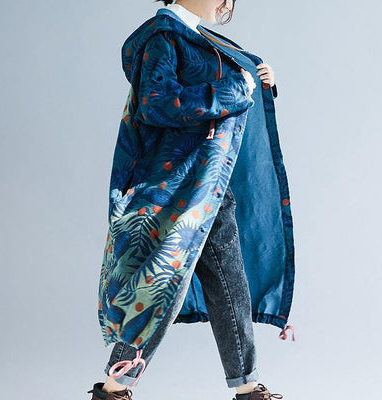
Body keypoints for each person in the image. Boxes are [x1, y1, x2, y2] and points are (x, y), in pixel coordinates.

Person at [88, 1, 293, 399]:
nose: (226, 3)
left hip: (210, 185)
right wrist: (237, 87)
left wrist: (256, 78)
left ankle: (248, 387)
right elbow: (157, 104)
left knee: (230, 285)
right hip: (177, 192)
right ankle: (112, 389)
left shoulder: (200, 38)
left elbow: (223, 94)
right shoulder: (162, 37)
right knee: (159, 286)